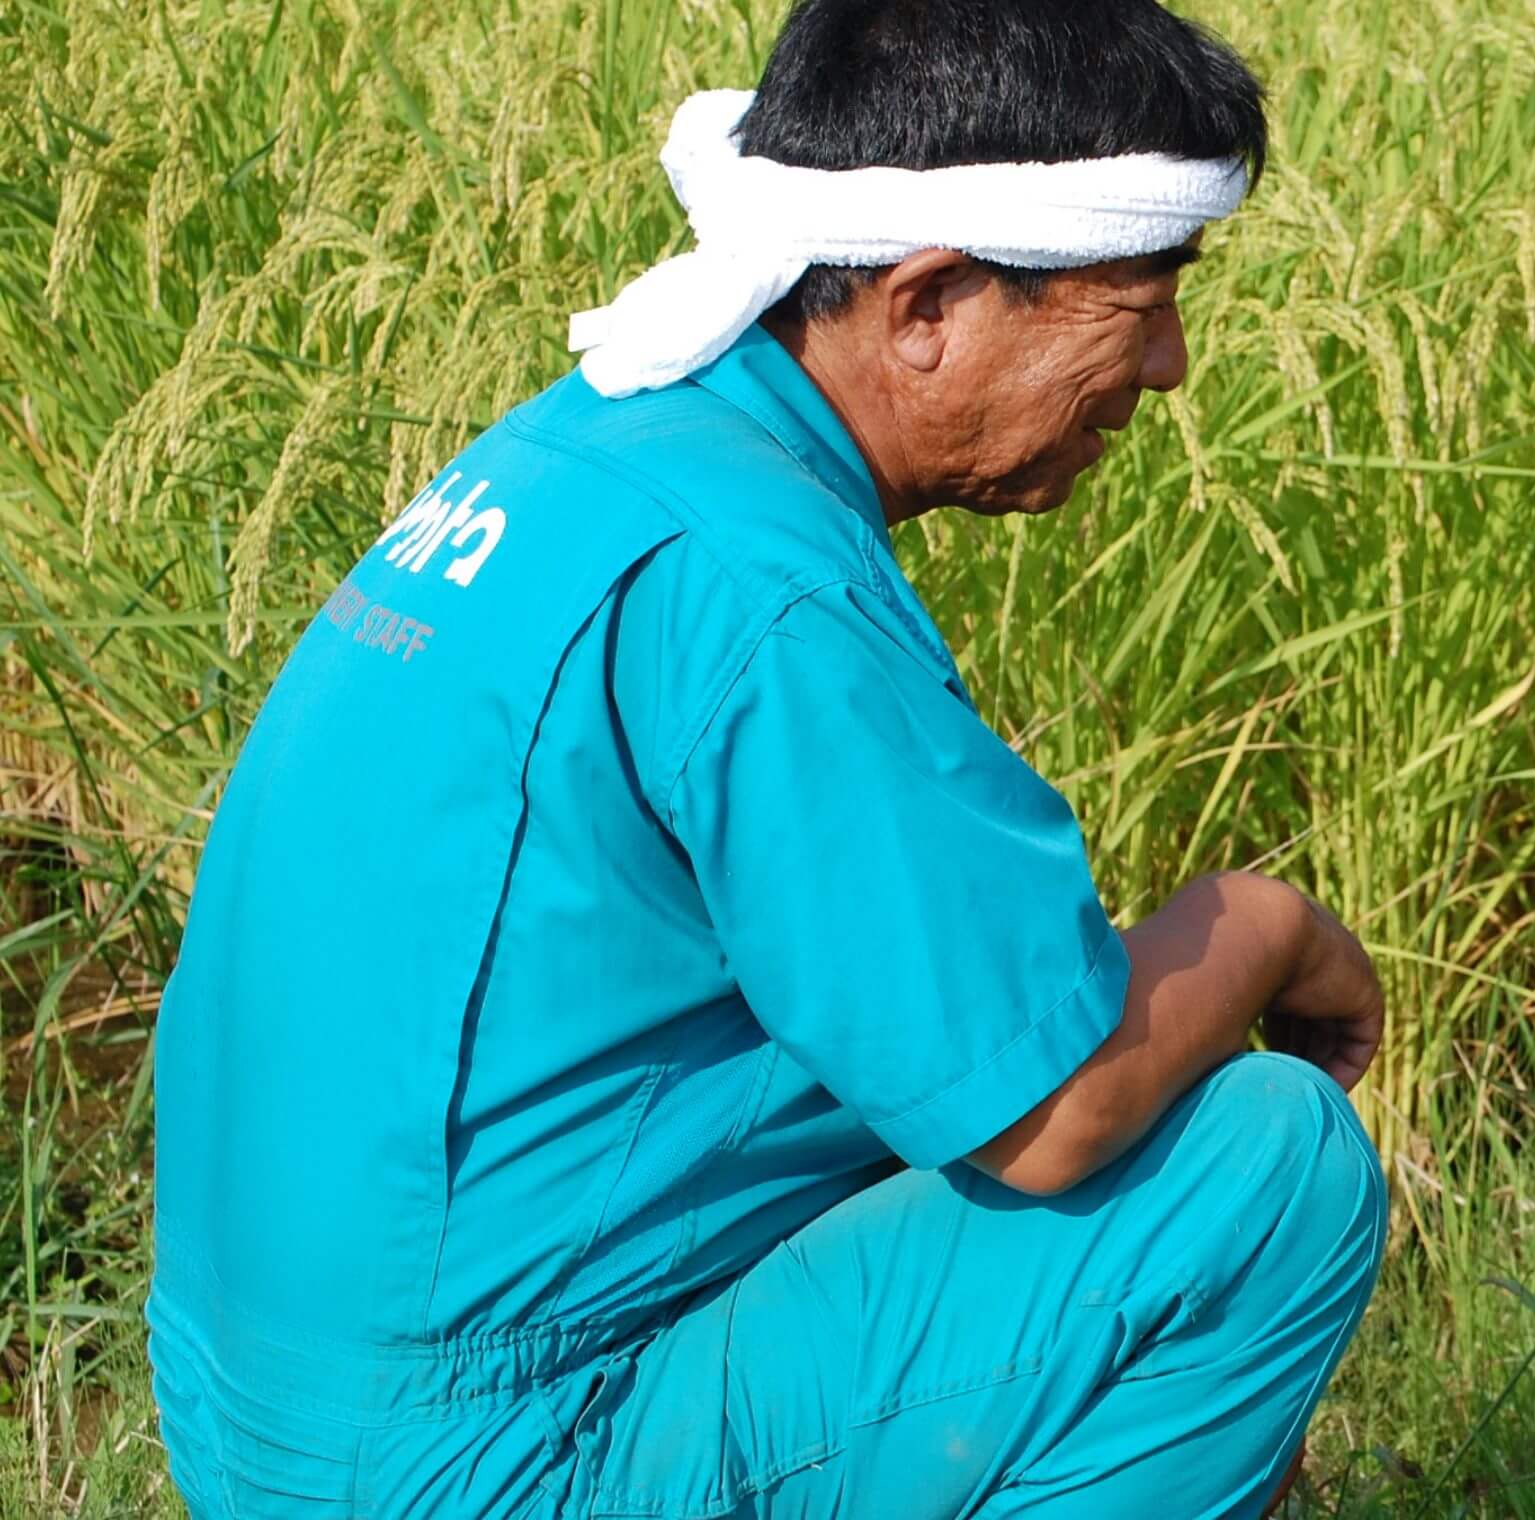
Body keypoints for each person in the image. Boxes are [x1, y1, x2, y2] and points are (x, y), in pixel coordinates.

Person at [146, 2, 1387, 1515]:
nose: (1173, 368)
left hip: (267, 1432)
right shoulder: (761, 588)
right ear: (927, 302)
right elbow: (1055, 1109)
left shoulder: (582, 456)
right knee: (1265, 1169)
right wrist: (1270, 928)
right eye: (1143, 304)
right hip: (478, 1462)